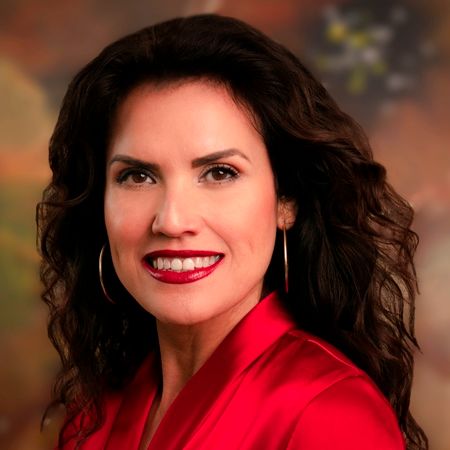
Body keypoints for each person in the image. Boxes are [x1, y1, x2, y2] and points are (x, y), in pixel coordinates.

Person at [37, 14, 428, 450]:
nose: (172, 220)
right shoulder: (94, 414)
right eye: (137, 176)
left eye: (220, 172)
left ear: (286, 200)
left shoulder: (330, 416)